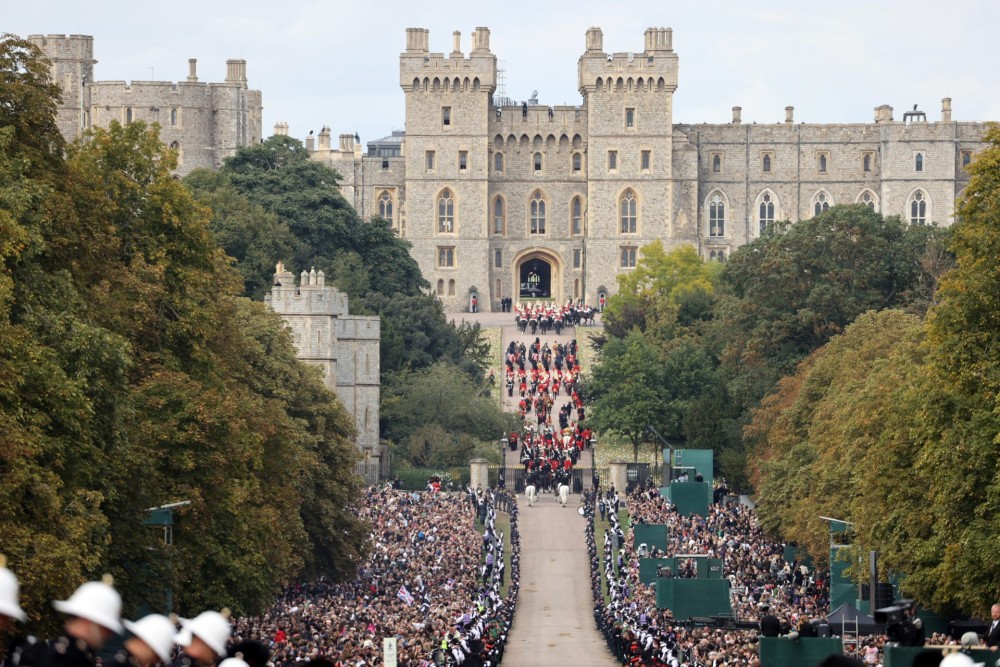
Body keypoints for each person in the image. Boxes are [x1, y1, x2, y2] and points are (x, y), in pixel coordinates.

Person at [43, 576, 123, 667]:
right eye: (106, 627)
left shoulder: (48, 651)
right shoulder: (70, 660)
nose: (110, 635)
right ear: (91, 622)